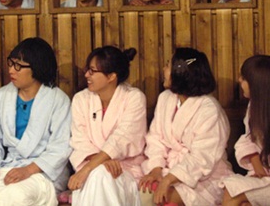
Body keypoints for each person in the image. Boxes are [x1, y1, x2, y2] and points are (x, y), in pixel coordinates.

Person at [0, 37, 71, 206]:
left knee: (16, 196)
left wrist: (28, 170)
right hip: (8, 166)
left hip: (42, 172)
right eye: (11, 63)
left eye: (19, 66)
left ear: (37, 68)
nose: (11, 70)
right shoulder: (1, 96)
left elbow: (61, 146)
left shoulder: (58, 100)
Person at [139, 47, 232, 206]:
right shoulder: (165, 98)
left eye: (168, 65)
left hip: (204, 178)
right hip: (170, 169)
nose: (163, 69)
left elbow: (202, 157)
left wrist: (169, 179)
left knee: (163, 197)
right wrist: (156, 169)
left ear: (181, 72)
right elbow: (155, 138)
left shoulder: (209, 109)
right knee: (145, 191)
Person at [66, 45, 146, 206]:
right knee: (100, 174)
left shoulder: (134, 98)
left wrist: (88, 168)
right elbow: (79, 140)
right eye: (87, 69)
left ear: (111, 76)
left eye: (92, 71)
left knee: (101, 175)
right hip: (90, 170)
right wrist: (100, 162)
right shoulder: (81, 99)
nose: (86, 75)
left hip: (124, 171)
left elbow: (122, 138)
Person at [221, 55, 270, 206]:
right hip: (265, 176)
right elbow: (249, 138)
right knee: (236, 194)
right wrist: (257, 164)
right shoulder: (254, 107)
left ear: (256, 82)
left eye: (243, 78)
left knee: (235, 194)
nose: (239, 81)